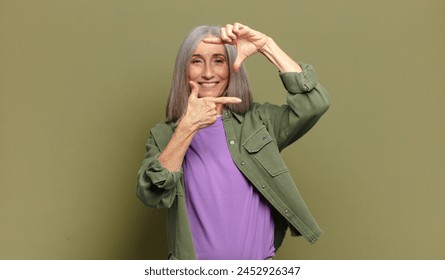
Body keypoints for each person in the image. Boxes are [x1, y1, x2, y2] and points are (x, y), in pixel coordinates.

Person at [136, 22, 330, 260]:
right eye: (196, 61)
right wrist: (187, 127)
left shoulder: (259, 121)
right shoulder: (164, 135)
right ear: (183, 70)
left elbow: (314, 103)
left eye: (218, 60)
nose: (208, 72)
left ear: (232, 67)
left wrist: (266, 46)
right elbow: (151, 194)